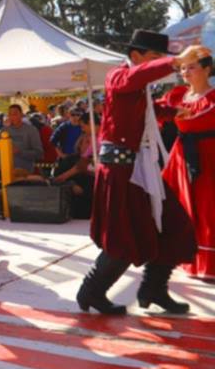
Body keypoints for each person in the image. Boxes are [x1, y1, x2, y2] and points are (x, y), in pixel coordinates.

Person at [78, 30, 201, 315]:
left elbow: (144, 109)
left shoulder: (138, 86)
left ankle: (153, 289)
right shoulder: (118, 76)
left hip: (142, 167)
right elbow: (130, 82)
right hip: (121, 170)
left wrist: (172, 112)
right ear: (136, 55)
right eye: (154, 57)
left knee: (175, 225)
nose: (159, 62)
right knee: (124, 234)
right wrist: (173, 62)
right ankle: (92, 290)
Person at [160, 46, 215, 283]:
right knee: (180, 207)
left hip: (209, 156)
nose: (185, 72)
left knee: (208, 208)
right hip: (181, 157)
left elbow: (195, 121)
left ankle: (208, 262)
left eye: (191, 67)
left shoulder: (213, 97)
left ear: (207, 69)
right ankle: (185, 257)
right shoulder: (176, 96)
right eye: (182, 68)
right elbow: (155, 113)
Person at [4, 104, 44, 177]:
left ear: (21, 115)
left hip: (25, 172)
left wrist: (20, 152)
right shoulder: (4, 130)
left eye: (15, 114)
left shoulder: (31, 130)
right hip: (6, 173)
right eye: (10, 114)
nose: (12, 117)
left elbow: (39, 153)